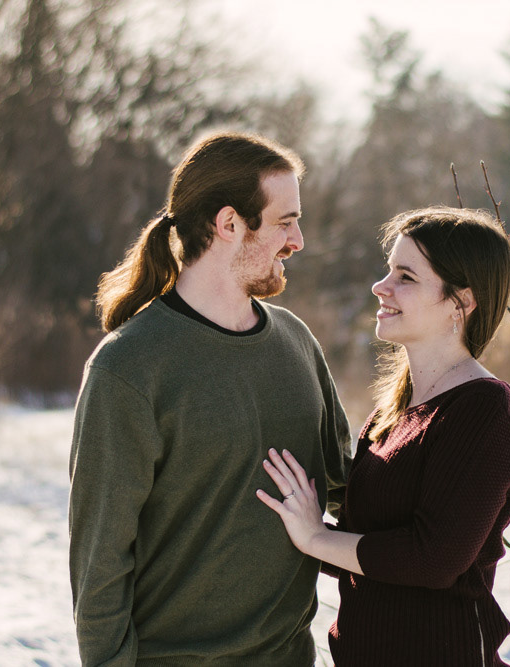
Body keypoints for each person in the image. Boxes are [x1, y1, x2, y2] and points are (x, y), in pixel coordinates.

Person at [68, 131, 354, 666]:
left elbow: (351, 491)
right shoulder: (128, 367)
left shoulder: (296, 343)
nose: (298, 240)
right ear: (229, 224)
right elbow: (99, 564)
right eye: (285, 222)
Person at [257, 206, 510, 666]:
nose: (380, 286)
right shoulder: (390, 413)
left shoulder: (484, 409)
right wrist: (278, 522)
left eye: (405, 277)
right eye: (389, 270)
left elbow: (434, 559)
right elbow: (364, 549)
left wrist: (315, 539)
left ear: (461, 302)